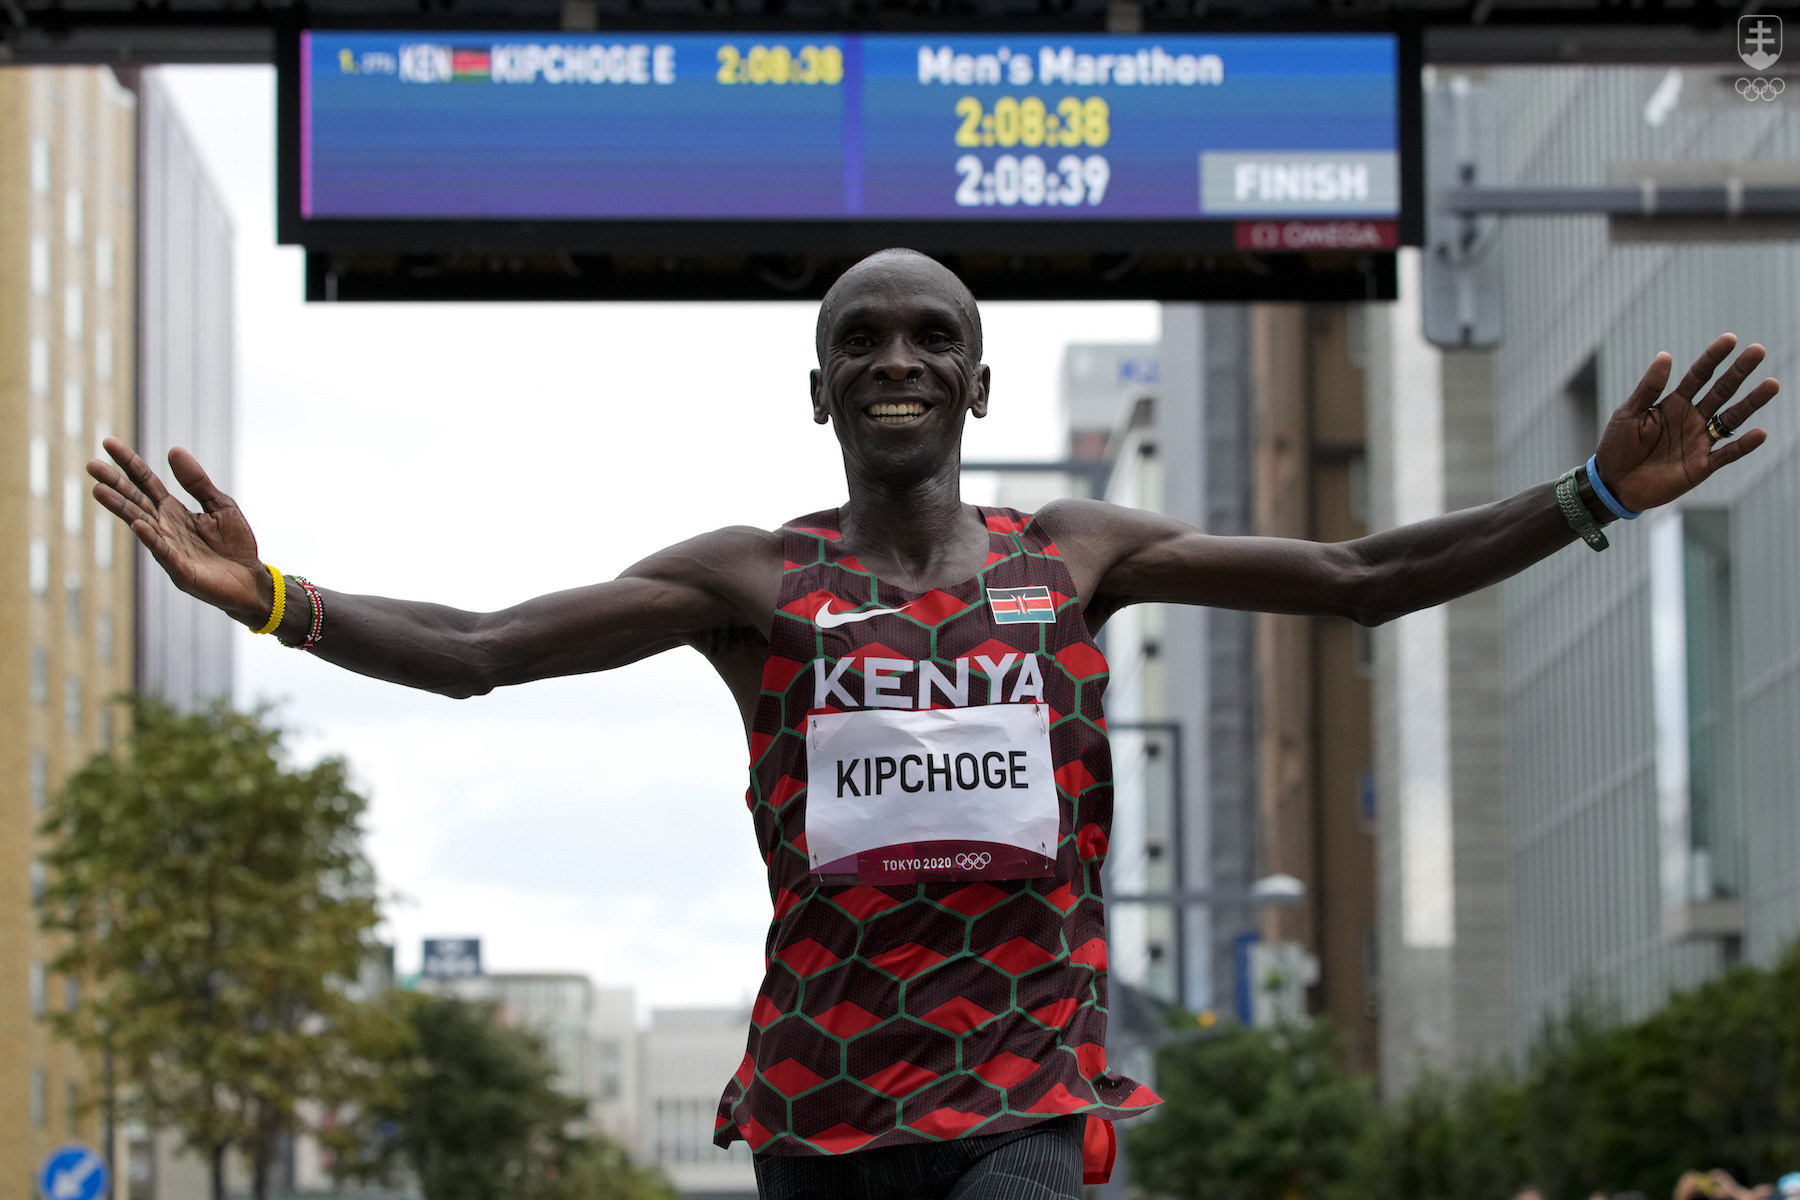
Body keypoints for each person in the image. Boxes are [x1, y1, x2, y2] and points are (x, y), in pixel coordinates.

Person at [89, 249, 1777, 1200]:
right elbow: (479, 649)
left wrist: (1584, 497)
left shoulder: (1081, 555)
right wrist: (279, 600)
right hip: (821, 1108)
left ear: (975, 385)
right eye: (860, 341)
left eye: (931, 338)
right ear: (819, 390)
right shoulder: (750, 579)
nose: (896, 356)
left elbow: (1353, 571)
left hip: (1027, 1095)